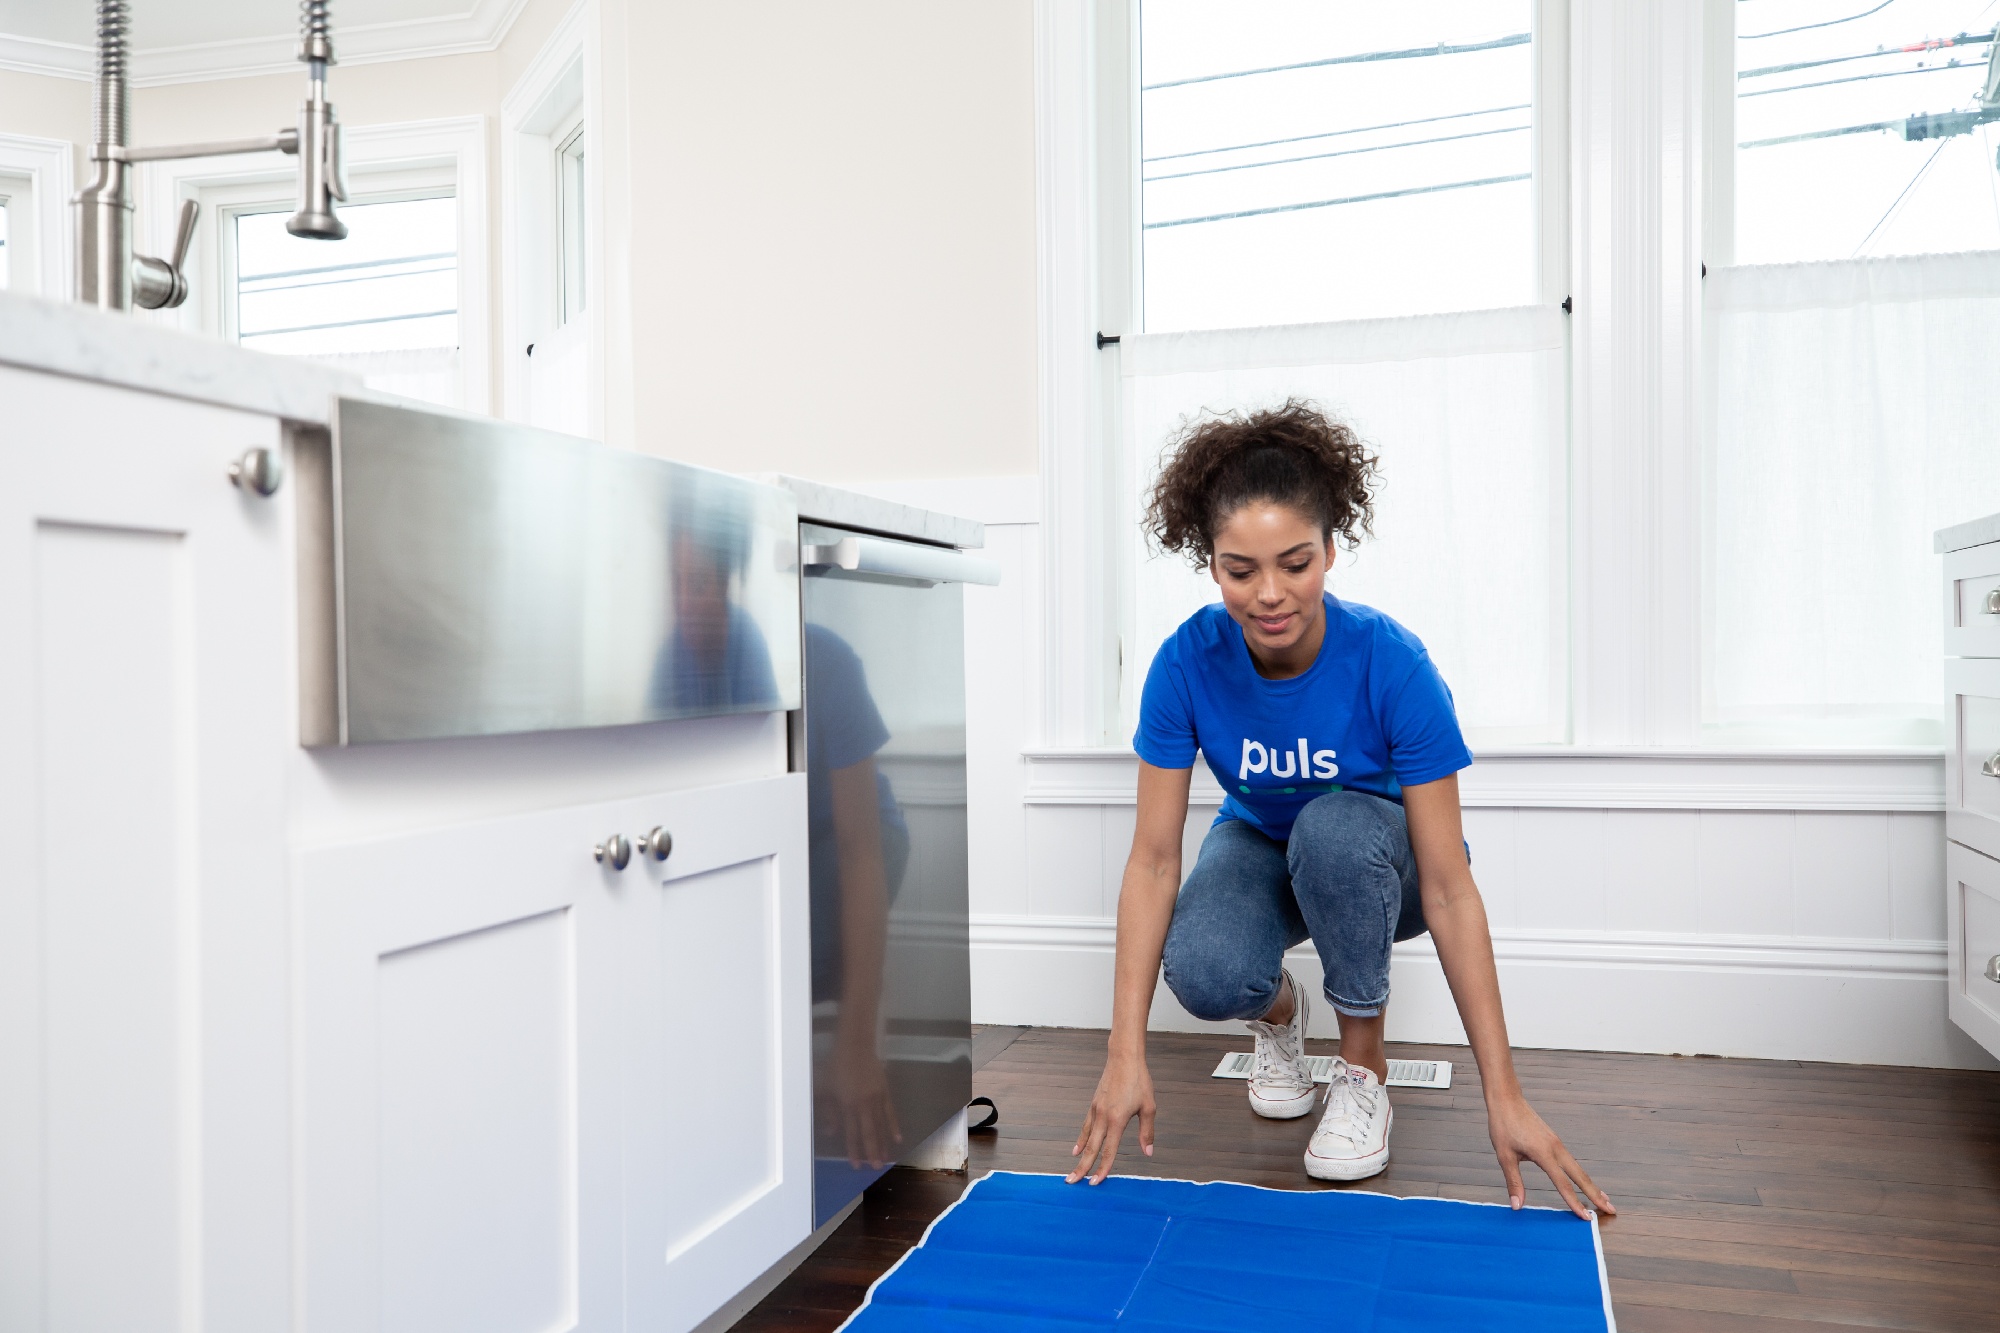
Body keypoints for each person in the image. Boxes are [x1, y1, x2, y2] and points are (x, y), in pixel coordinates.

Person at [1066, 401, 1613, 1221]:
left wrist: (1506, 1094)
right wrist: (1123, 1054)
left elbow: (1451, 885)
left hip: (1378, 860)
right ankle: (1284, 1014)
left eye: (1295, 562)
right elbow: (1152, 861)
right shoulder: (1184, 664)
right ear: (1210, 565)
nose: (1270, 594)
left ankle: (1363, 1072)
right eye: (1240, 570)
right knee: (1207, 967)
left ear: (1330, 548)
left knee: (1332, 828)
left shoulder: (1391, 662)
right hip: (1260, 843)